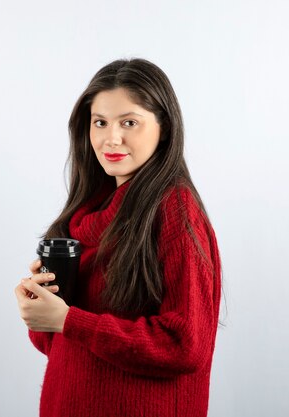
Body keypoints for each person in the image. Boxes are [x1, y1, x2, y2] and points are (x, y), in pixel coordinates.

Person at [14, 58, 222, 417]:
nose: (111, 138)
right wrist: (42, 309)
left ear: (165, 128)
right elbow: (62, 347)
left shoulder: (174, 208)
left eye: (130, 122)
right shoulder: (84, 215)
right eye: (100, 122)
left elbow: (185, 345)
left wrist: (69, 320)